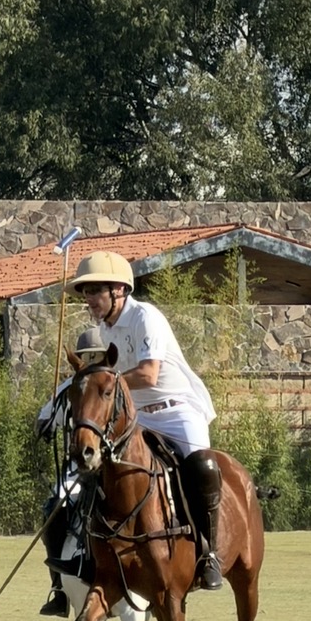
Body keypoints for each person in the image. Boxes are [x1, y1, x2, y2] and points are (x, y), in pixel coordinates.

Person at [67, 250, 223, 591]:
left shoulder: (144, 317)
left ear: (118, 290)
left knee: (203, 468)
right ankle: (89, 553)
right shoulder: (105, 329)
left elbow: (149, 374)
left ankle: (210, 554)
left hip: (178, 409)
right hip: (139, 417)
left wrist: (105, 382)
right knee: (97, 475)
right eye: (86, 293)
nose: (88, 299)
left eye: (95, 291)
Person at [35, 326, 111, 617]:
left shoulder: (115, 383)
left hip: (114, 465)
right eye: (87, 357)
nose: (92, 361)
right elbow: (44, 419)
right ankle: (59, 588)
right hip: (78, 470)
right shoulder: (68, 389)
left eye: (97, 356)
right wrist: (43, 424)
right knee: (53, 510)